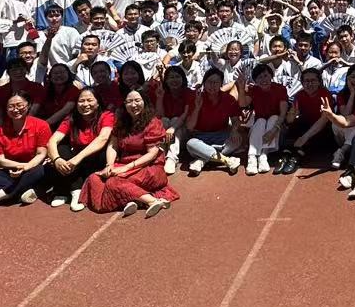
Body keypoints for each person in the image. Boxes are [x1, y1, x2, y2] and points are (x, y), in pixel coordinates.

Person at [80, 88, 177, 216]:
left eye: (137, 100)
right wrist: (109, 165)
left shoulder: (153, 123)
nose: (133, 105)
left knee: (113, 182)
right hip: (124, 163)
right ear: (124, 104)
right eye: (129, 101)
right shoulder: (121, 121)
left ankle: (152, 201)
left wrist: (126, 168)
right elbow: (113, 145)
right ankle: (135, 200)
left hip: (149, 167)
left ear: (144, 102)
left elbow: (152, 154)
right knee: (94, 179)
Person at [0, 93, 53, 215]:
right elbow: (0, 160)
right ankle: (27, 190)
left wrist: (26, 167)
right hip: (12, 172)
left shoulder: (41, 125)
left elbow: (41, 154)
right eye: (11, 106)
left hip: (34, 168)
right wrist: (18, 166)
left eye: (19, 105)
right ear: (6, 109)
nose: (15, 110)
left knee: (42, 170)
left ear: (28, 106)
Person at [183, 68, 244, 175]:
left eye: (216, 82)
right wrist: (197, 108)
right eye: (209, 82)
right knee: (190, 144)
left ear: (221, 84)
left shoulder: (228, 99)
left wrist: (234, 130)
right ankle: (226, 160)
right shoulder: (197, 98)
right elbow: (189, 127)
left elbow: (236, 120)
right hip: (200, 137)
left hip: (221, 135)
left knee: (237, 140)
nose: (212, 85)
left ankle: (202, 158)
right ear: (204, 83)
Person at [238, 63, 289, 175]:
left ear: (271, 75)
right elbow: (243, 104)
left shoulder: (280, 89)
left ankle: (263, 156)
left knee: (273, 117)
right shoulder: (254, 90)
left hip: (278, 128)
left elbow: (283, 114)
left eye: (265, 76)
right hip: (259, 128)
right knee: (260, 121)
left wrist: (273, 130)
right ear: (255, 80)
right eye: (259, 77)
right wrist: (241, 88)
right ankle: (252, 158)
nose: (263, 80)